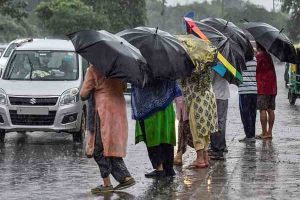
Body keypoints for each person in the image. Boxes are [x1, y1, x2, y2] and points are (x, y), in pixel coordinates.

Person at [80, 65, 135, 194]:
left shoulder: (93, 69)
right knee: (112, 147)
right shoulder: (119, 69)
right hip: (118, 110)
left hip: (103, 111)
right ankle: (124, 177)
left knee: (98, 148)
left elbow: (83, 94)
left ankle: (109, 183)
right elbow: (123, 87)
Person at [177, 35, 218, 168]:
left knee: (198, 129)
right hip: (209, 98)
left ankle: (200, 159)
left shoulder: (192, 67)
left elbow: (184, 83)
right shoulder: (205, 63)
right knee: (206, 129)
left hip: (197, 100)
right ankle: (205, 157)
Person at [133, 80, 179, 178]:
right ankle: (168, 168)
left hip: (149, 108)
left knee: (153, 138)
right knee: (165, 136)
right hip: (166, 106)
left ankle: (160, 169)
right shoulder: (167, 67)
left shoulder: (143, 67)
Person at [255, 42, 277, 139]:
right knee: (271, 109)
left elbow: (256, 69)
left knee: (262, 110)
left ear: (258, 46)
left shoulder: (259, 57)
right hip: (272, 87)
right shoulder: (269, 56)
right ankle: (269, 132)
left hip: (263, 87)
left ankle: (264, 132)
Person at [210, 69, 230, 160]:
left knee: (216, 122)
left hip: (216, 95)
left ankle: (218, 149)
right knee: (222, 121)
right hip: (224, 95)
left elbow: (210, 80)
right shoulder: (227, 64)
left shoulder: (216, 65)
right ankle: (221, 145)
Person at [238, 58, 257, 142]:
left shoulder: (239, 61)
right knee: (253, 114)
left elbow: (237, 75)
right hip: (254, 90)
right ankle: (252, 135)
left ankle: (248, 135)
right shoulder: (255, 61)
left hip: (243, 90)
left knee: (245, 114)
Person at [173, 94, 194, 166]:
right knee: (185, 122)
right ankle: (203, 152)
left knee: (184, 123)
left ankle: (202, 152)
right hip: (186, 95)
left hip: (185, 94)